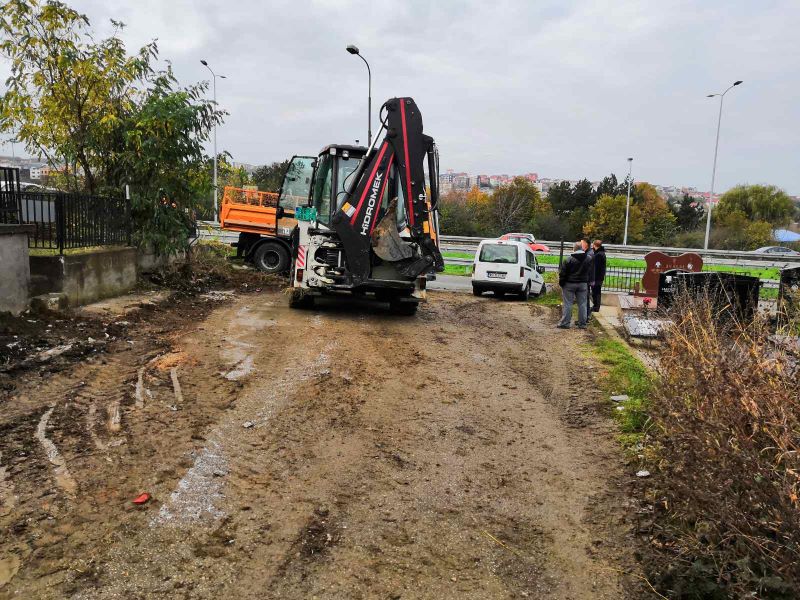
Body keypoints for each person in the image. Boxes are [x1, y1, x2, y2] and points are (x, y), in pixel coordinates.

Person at [557, 241, 591, 329]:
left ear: (574, 249)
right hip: (583, 284)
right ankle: (582, 324)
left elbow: (563, 274)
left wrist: (562, 283)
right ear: (582, 248)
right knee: (583, 304)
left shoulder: (568, 259)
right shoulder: (588, 259)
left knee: (568, 304)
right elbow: (591, 272)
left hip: (569, 284)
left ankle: (565, 323)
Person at [590, 239, 607, 313]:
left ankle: (596, 307)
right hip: (599, 277)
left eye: (592, 244)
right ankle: (596, 306)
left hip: (597, 277)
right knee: (597, 292)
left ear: (594, 245)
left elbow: (596, 267)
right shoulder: (601, 253)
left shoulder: (598, 255)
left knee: (596, 292)